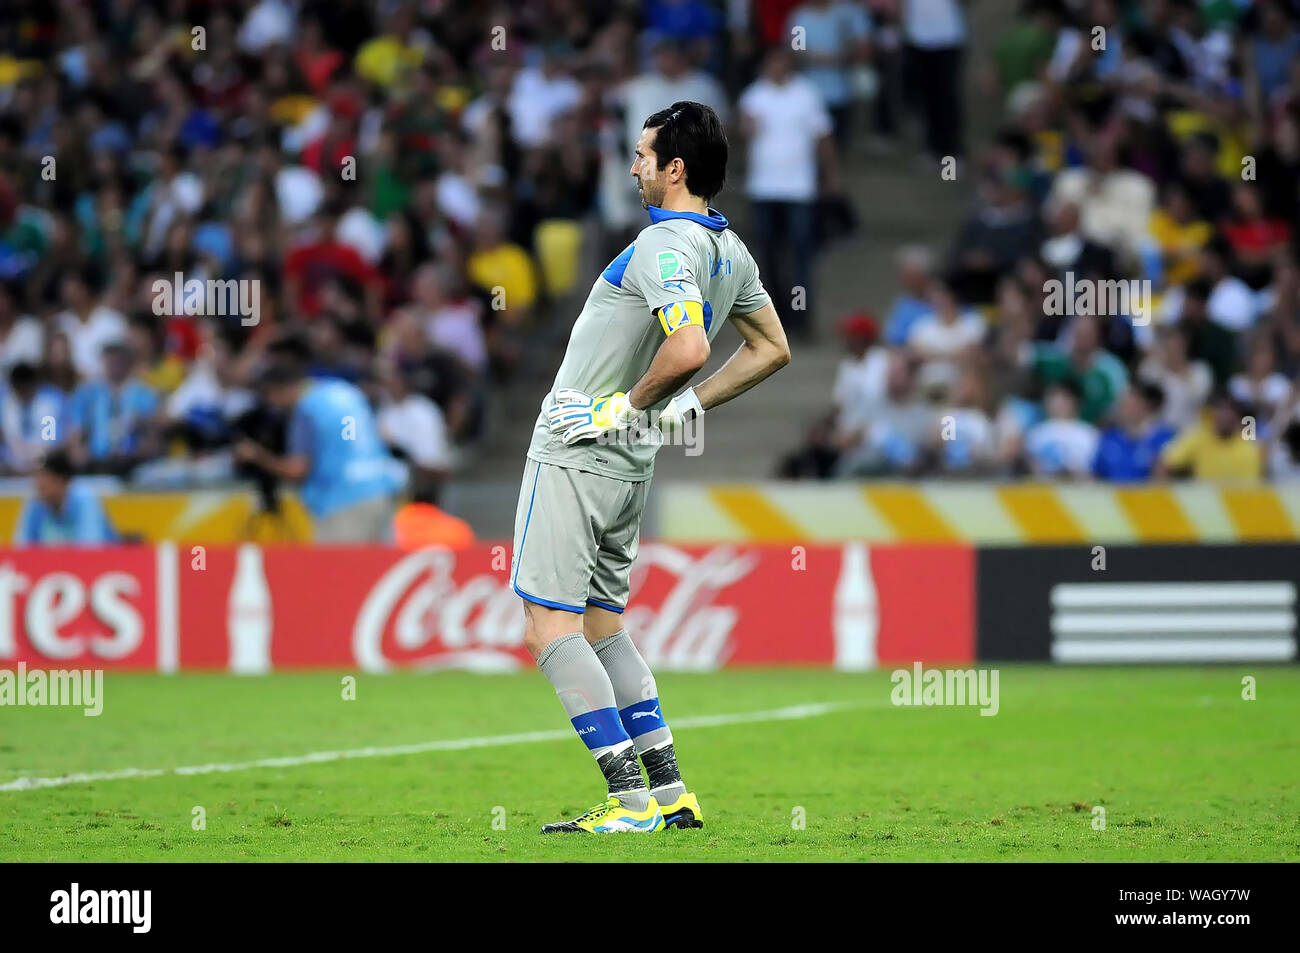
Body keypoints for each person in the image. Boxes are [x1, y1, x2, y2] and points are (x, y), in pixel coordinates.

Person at [515, 101, 790, 833]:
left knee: (548, 624)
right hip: (629, 463)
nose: (633, 165)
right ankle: (670, 793)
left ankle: (628, 800)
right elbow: (771, 348)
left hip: (578, 448)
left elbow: (690, 346)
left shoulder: (665, 242)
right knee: (604, 624)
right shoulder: (731, 251)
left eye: (643, 154)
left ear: (675, 168)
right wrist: (677, 410)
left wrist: (616, 407)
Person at [235, 359, 404, 543]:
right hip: (381, 490)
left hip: (342, 500)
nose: (273, 404)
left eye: (270, 396)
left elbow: (297, 470)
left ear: (279, 389)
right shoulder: (345, 392)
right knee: (380, 569)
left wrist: (257, 456)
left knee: (337, 571)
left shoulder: (307, 409)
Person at [14, 450, 118, 546]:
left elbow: (90, 550)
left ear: (61, 480)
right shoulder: (36, 503)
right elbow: (22, 548)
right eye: (36, 476)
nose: (38, 483)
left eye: (43, 476)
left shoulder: (84, 500)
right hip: (54, 565)